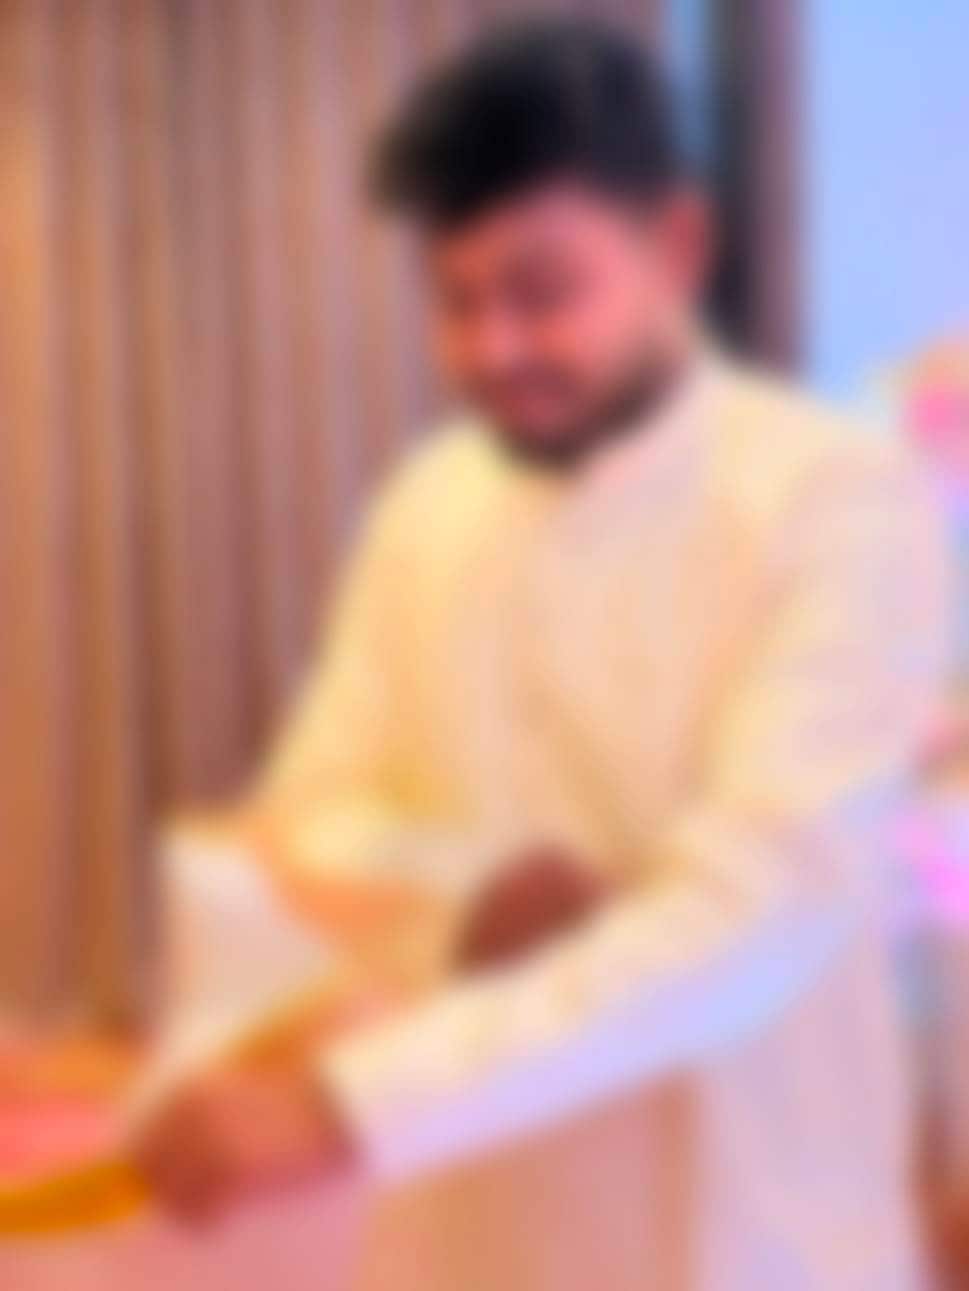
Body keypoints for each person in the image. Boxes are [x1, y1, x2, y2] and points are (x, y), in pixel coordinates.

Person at [134, 18, 949, 1289]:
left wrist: (351, 1103)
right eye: (456, 301)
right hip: (474, 1215)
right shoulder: (428, 504)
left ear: (678, 248)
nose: (493, 348)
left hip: (746, 1223)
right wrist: (467, 896)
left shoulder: (834, 494)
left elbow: (761, 901)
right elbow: (311, 818)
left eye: (542, 292)